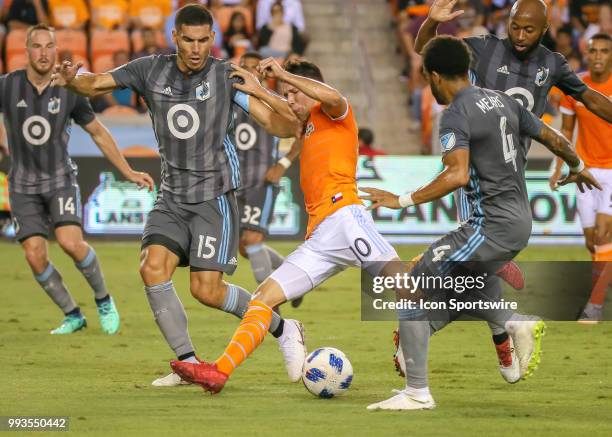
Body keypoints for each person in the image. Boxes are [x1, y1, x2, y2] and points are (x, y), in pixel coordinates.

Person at [51, 4, 305, 387]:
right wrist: (73, 79)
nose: (197, 48)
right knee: (151, 268)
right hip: (171, 196)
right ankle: (188, 362)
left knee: (207, 291)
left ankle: (283, 328)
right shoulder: (149, 69)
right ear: (175, 37)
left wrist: (262, 92)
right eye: (188, 39)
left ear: (212, 40)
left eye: (204, 40)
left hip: (213, 197)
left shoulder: (225, 77)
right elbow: (96, 83)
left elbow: (281, 125)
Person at [362, 36, 600, 411]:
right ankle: (494, 329)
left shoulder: (456, 112)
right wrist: (578, 166)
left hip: (490, 225)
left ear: (436, 75)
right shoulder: (502, 100)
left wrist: (401, 199)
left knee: (407, 283)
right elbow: (552, 137)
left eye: (427, 78)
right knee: (460, 286)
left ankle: (420, 391)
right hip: (519, 222)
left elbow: (455, 175)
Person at [169, 58, 410, 394]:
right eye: (287, 94)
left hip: (346, 218)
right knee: (262, 298)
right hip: (320, 237)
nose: (291, 100)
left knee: (408, 285)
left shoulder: (338, 113)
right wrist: (259, 90)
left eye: (295, 93)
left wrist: (281, 75)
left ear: (311, 89)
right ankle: (219, 372)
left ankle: (476, 291)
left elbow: (333, 96)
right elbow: (281, 110)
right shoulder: (305, 123)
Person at [405, 0, 612, 377]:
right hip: (477, 168)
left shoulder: (553, 65)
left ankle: (432, 332)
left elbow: (589, 98)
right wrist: (430, 24)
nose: (519, 36)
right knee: (475, 268)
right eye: (514, 27)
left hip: (507, 173)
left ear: (545, 29)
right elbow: (429, 52)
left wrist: (575, 162)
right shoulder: (484, 48)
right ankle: (504, 343)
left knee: (459, 267)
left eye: (528, 30)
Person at [1, 24, 154, 334]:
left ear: (56, 50)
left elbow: (98, 132)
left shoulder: (68, 91)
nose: (43, 53)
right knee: (34, 255)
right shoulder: (7, 86)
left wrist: (127, 171)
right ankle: (73, 314)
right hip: (22, 184)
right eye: (37, 46)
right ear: (26, 51)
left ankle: (103, 298)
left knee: (71, 243)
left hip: (59, 178)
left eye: (49, 46)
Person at [550, 33, 612, 324]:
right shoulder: (574, 87)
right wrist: (557, 165)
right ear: (587, 54)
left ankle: (595, 307)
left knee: (603, 235)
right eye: (593, 51)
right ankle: (602, 287)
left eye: (604, 51)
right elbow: (564, 131)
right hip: (584, 172)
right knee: (591, 243)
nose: (598, 55)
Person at [234, 51, 301, 295]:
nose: (249, 71)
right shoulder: (230, 99)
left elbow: (303, 131)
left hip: (261, 180)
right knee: (244, 247)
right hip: (234, 181)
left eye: (254, 67)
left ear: (261, 73)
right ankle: (291, 276)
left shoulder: (270, 101)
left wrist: (282, 164)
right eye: (244, 66)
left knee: (252, 242)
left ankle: (269, 307)